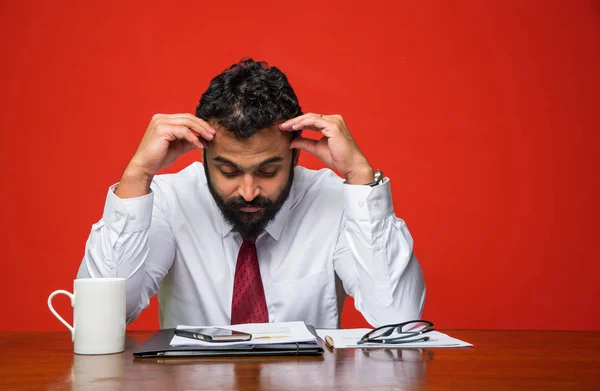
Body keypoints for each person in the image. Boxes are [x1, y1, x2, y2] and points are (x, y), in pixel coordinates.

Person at [77, 58, 425, 329]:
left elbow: (397, 315)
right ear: (203, 155)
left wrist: (360, 178)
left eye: (268, 171)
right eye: (227, 171)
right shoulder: (169, 201)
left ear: (296, 154)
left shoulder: (333, 199)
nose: (247, 192)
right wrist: (137, 176)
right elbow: (101, 318)